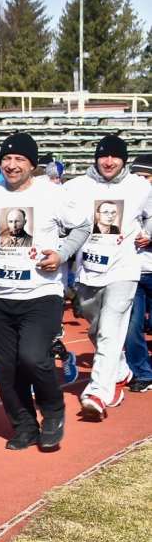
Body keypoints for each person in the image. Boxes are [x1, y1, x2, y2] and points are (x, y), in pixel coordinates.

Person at [0, 132, 89, 451]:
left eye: (19, 159)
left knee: (34, 358)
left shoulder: (52, 193)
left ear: (32, 165)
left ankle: (52, 412)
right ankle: (23, 425)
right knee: (6, 369)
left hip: (41, 291)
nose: (11, 164)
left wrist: (62, 254)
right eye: (7, 159)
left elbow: (82, 226)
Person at [64, 134, 151, 419]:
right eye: (104, 155)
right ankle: (121, 368)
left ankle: (98, 392)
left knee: (111, 327)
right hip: (88, 271)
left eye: (115, 156)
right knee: (95, 327)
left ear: (124, 159)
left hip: (124, 269)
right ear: (96, 158)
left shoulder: (139, 186)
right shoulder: (76, 187)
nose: (109, 161)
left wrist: (147, 234)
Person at [123, 153, 152, 393]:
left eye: (146, 176)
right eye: (137, 176)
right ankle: (142, 371)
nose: (141, 181)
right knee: (132, 326)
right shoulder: (125, 203)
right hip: (133, 272)